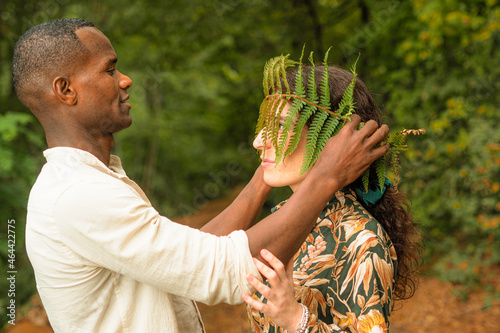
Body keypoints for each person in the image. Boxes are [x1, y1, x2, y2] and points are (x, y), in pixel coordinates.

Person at [13, 19, 390, 332]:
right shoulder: (80, 194)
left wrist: (268, 171)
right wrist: (326, 174)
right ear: (65, 90)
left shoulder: (361, 239)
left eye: (279, 128)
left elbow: (193, 252)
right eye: (110, 69)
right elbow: (221, 268)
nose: (125, 80)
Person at [242, 64, 423, 332]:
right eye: (263, 126)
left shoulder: (361, 238)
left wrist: (295, 319)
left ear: (328, 139)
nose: (259, 141)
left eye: (279, 126)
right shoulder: (282, 218)